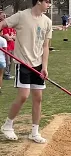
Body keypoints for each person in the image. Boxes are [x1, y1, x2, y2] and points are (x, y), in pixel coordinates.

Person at [0, 0, 52, 143]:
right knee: (23, 96)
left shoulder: (47, 21)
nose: (49, 5)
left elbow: (46, 46)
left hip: (38, 64)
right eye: (47, 2)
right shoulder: (21, 16)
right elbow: (3, 24)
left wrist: (45, 67)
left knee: (38, 98)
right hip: (22, 63)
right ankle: (8, 125)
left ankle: (35, 132)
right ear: (39, 1)